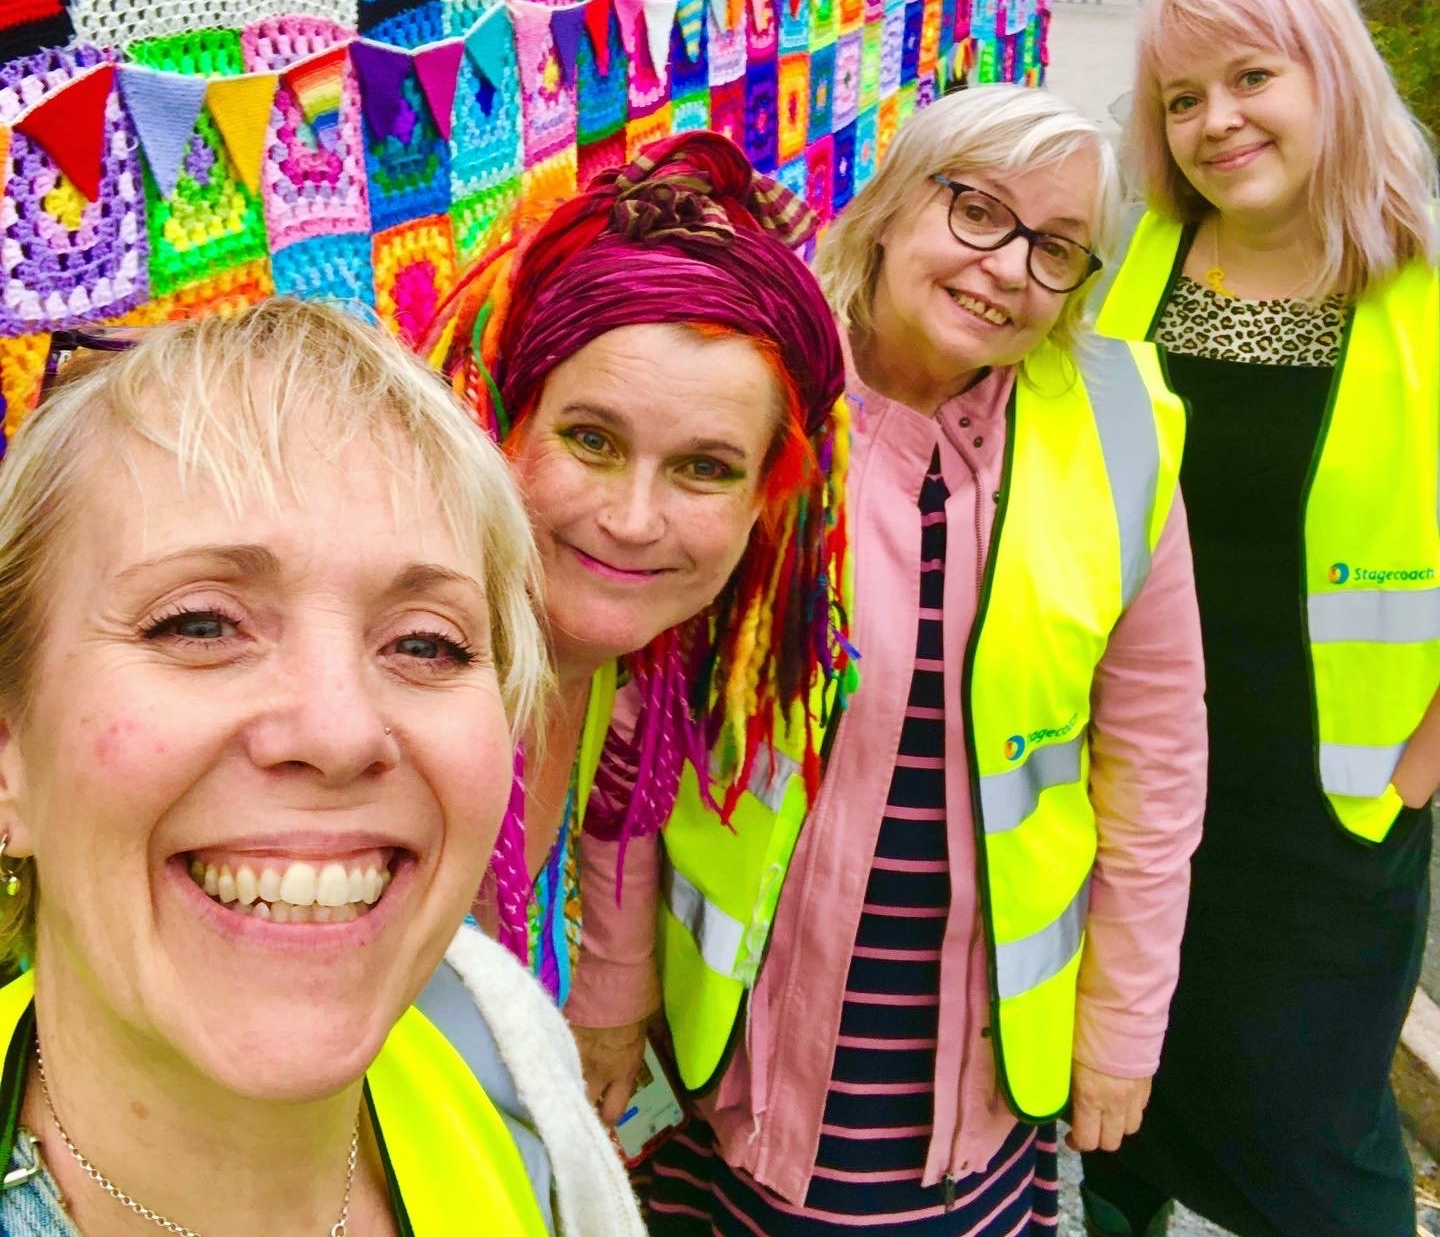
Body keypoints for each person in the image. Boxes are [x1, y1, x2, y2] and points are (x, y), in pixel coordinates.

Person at [638, 83, 1209, 1233]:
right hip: (758, 1030)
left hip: (980, 1053)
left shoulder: (1118, 423)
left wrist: (1123, 1030)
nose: (1009, 270)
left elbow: (1158, 765)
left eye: (1057, 249)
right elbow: (637, 711)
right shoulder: (759, 392)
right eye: (979, 212)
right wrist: (605, 989)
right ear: (894, 206)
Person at [0, 300, 645, 1236]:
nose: (341, 731)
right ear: (11, 753)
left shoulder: (500, 1048)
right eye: (200, 624)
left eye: (427, 644)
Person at [1081, 0, 1440, 1237]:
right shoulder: (1133, 269)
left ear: (1332, 77)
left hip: (1322, 833)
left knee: (1314, 1155)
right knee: (1113, 1125)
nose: (1216, 121)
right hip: (1127, 797)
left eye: (1250, 76)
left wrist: (1413, 774)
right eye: (1182, 98)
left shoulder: (1422, 293)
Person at [428, 131, 852, 1117]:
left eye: (705, 467)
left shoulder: (630, 669)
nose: (632, 520)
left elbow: (620, 822)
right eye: (591, 439)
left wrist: (613, 1002)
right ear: (507, 423)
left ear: (765, 503)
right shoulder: (399, 692)